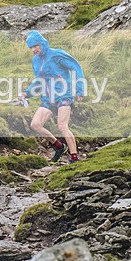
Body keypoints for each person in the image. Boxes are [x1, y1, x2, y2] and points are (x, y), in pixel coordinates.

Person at [19, 30, 84, 163]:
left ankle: (74, 158)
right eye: (31, 47)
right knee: (35, 124)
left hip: (63, 96)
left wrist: (79, 90)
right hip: (47, 98)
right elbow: (39, 80)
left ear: (42, 43)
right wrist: (27, 93)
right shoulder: (36, 60)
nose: (33, 50)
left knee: (62, 126)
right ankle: (59, 146)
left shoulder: (56, 54)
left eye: (35, 46)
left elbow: (76, 68)